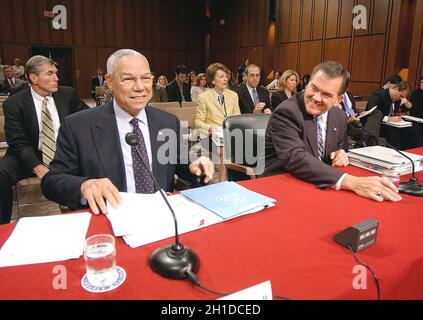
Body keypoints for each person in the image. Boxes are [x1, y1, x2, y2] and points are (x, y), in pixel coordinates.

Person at [41, 49, 214, 215]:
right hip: (108, 220)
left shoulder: (167, 122)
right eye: (128, 79)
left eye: (146, 78)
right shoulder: (78, 126)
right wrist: (84, 185)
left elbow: (177, 162)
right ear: (109, 81)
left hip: (162, 218)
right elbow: (51, 182)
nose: (140, 87)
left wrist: (194, 165)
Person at [264, 60, 402, 202]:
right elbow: (296, 158)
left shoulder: (339, 116)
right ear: (307, 84)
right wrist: (353, 182)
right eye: (314, 88)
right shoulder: (287, 112)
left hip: (321, 183)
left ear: (339, 99)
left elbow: (340, 148)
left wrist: (340, 153)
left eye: (326, 95)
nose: (316, 97)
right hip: (282, 186)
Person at [0, 55, 88, 224]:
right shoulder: (14, 103)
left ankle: (82, 217)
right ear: (33, 78)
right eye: (49, 74)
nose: (56, 78)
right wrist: (37, 167)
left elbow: (87, 119)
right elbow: (18, 142)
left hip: (63, 151)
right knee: (1, 174)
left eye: (56, 73)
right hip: (30, 153)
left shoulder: (68, 94)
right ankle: (3, 228)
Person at [194, 62, 241, 135]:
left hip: (231, 135)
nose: (225, 79)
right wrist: (209, 128)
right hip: (212, 136)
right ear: (213, 80)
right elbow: (198, 122)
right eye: (221, 76)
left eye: (226, 76)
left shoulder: (233, 95)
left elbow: (237, 119)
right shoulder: (203, 97)